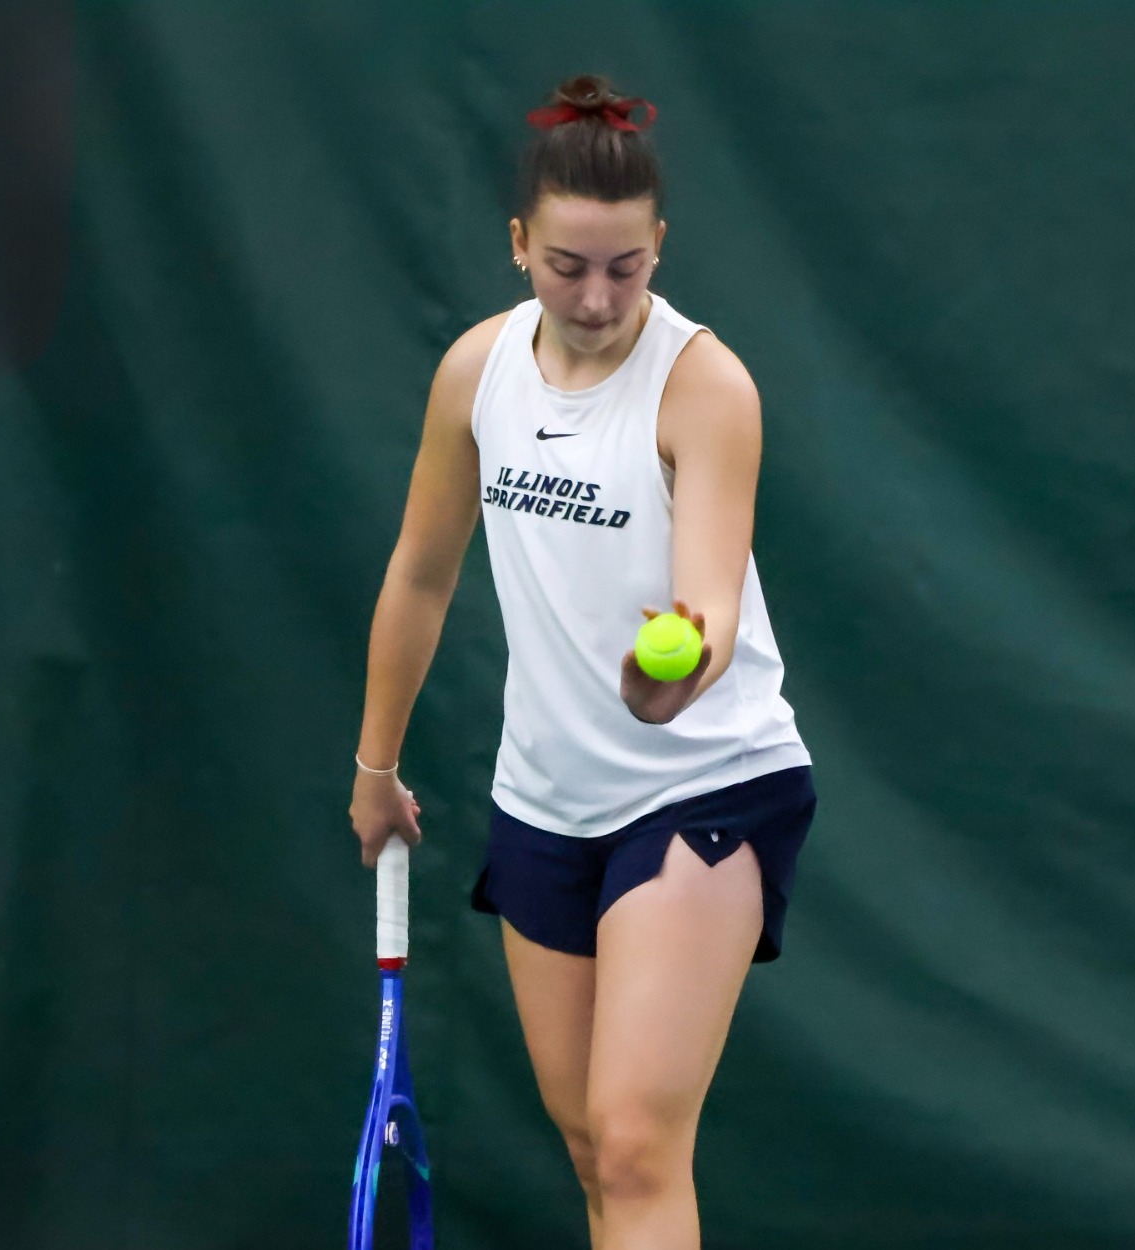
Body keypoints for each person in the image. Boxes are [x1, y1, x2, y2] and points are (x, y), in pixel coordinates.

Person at [347, 72, 815, 1250]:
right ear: (518, 245)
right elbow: (419, 572)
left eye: (625, 266)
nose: (598, 295)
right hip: (542, 801)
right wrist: (374, 763)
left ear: (659, 245)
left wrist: (679, 670)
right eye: (567, 265)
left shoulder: (705, 386)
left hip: (703, 781)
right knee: (591, 1153)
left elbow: (705, 594)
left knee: (635, 1139)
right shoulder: (475, 373)